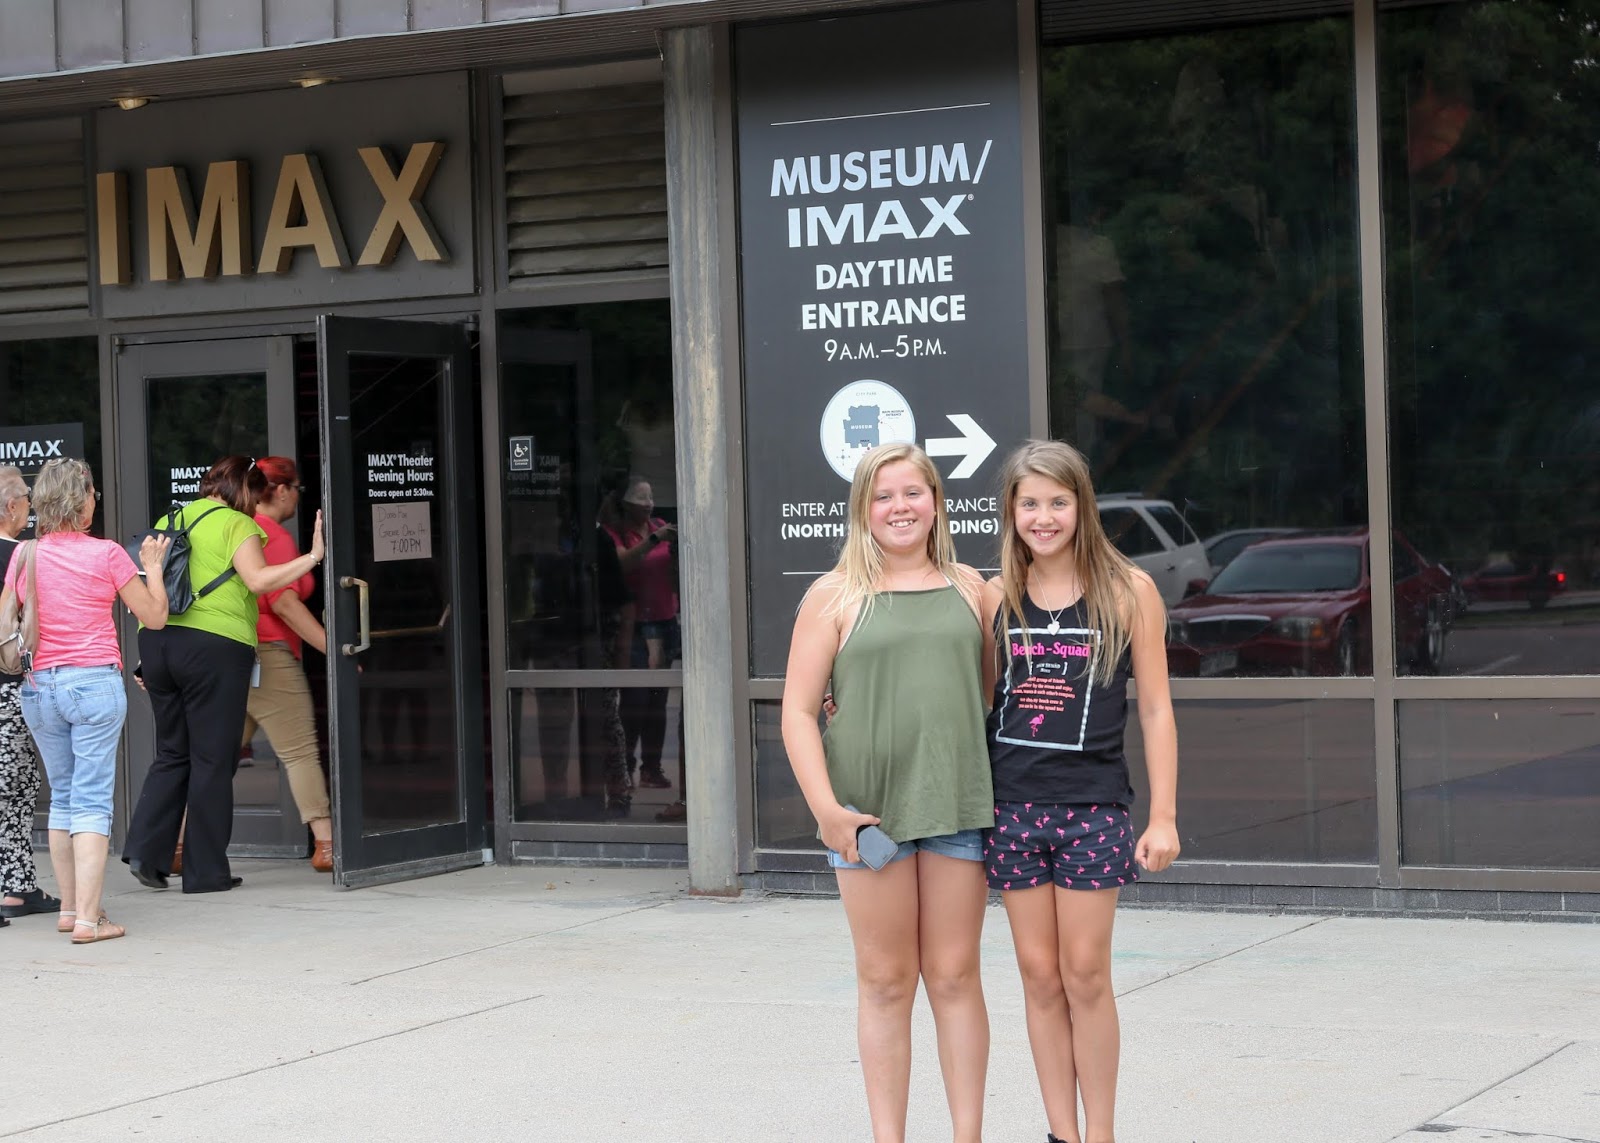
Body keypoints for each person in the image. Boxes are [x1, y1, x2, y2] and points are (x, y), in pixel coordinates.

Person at [781, 442, 992, 1143]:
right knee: (885, 980)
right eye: (883, 495)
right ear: (862, 509)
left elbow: (986, 693)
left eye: (913, 492)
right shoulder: (834, 595)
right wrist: (826, 811)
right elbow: (797, 712)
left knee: (955, 977)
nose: (900, 507)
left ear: (936, 501)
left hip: (957, 804)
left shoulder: (973, 589)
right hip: (866, 814)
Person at [980, 440, 1180, 1143]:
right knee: (1039, 976)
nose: (1044, 517)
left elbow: (1156, 708)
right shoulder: (994, 596)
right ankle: (1061, 1133)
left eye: (1058, 502)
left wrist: (1163, 816)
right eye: (1029, 503)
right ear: (1011, 511)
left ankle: (1101, 1134)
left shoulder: (1129, 591)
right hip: (1011, 808)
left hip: (1093, 809)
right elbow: (972, 697)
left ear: (1082, 506)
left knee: (1086, 973)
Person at [122, 456, 324, 895]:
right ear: (245, 491)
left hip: (157, 643)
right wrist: (312, 557)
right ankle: (205, 872)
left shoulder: (169, 519)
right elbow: (259, 581)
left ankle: (146, 852)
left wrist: (149, 660)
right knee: (213, 759)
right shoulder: (236, 523)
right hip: (214, 648)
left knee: (172, 752)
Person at [0, 459, 170, 943]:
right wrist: (154, 568)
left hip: (39, 686)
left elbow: (5, 617)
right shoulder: (108, 554)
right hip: (93, 683)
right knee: (92, 800)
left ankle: (70, 907)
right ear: (83, 502)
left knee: (64, 797)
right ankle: (89, 921)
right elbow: (155, 617)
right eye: (93, 493)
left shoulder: (25, 554)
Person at [242, 456, 333, 872]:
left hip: (238, 654)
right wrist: (335, 649)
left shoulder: (241, 530)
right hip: (271, 657)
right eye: (297, 488)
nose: (298, 496)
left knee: (212, 757)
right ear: (280, 491)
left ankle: (177, 843)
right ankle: (327, 845)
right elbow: (284, 603)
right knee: (300, 752)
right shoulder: (273, 536)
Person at [601, 477, 680, 798]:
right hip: (635, 624)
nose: (648, 504)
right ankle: (627, 767)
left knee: (658, 699)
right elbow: (621, 564)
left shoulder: (659, 525)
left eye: (651, 497)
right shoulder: (615, 534)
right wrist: (653, 540)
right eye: (640, 498)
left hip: (664, 620)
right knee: (635, 699)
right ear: (625, 503)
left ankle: (652, 767)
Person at [0, 466, 53, 927]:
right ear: (12, 506)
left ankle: (16, 887)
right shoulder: (20, 557)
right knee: (15, 787)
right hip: (8, 687)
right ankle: (14, 887)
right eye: (27, 504)